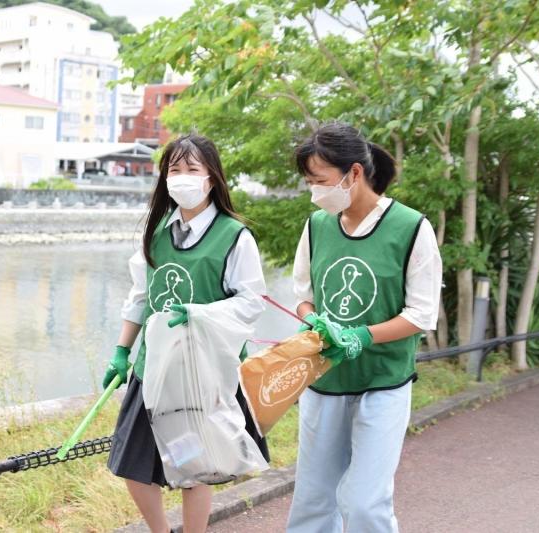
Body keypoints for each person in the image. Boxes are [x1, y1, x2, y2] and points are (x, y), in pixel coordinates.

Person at [104, 134, 269, 533]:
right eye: (173, 170)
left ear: (211, 178)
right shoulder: (157, 232)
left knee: (196, 465)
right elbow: (140, 296)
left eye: (191, 169)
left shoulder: (234, 236)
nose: (181, 178)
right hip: (154, 368)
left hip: (203, 373)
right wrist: (121, 352)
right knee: (131, 464)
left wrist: (198, 313)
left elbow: (252, 302)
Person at [286, 122, 442, 533]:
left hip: (383, 382)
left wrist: (361, 336)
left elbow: (421, 314)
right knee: (313, 501)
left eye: (320, 181)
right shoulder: (316, 227)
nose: (314, 191)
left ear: (354, 174)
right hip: (325, 382)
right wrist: (313, 320)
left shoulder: (410, 228)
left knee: (364, 503)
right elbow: (303, 295)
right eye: (309, 182)